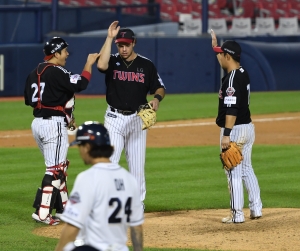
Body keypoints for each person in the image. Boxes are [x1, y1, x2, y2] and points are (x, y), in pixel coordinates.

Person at [24, 37, 100, 225]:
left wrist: (64, 113)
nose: (67, 54)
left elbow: (30, 100)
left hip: (38, 123)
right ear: (56, 53)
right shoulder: (58, 71)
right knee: (56, 169)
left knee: (59, 166)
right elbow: (81, 83)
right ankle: (42, 212)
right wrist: (89, 63)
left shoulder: (34, 72)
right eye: (64, 51)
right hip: (53, 125)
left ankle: (65, 208)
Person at [97, 21, 166, 206]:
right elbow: (101, 65)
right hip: (114, 118)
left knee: (136, 166)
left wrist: (156, 99)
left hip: (137, 119)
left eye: (126, 44)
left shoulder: (146, 65)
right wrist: (110, 38)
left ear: (133, 43)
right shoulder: (112, 61)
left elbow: (159, 87)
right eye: (120, 45)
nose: (123, 48)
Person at [54, 121, 144, 251]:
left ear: (87, 147)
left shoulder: (88, 178)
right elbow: (137, 227)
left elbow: (72, 227)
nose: (80, 151)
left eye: (80, 146)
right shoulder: (129, 179)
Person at [210, 30, 263, 223]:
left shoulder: (231, 80)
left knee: (232, 170)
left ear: (228, 56)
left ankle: (237, 215)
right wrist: (215, 47)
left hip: (235, 130)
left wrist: (226, 135)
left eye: (222, 54)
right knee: (247, 168)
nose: (220, 57)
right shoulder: (242, 72)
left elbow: (231, 110)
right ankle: (256, 208)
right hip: (248, 128)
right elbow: (224, 57)